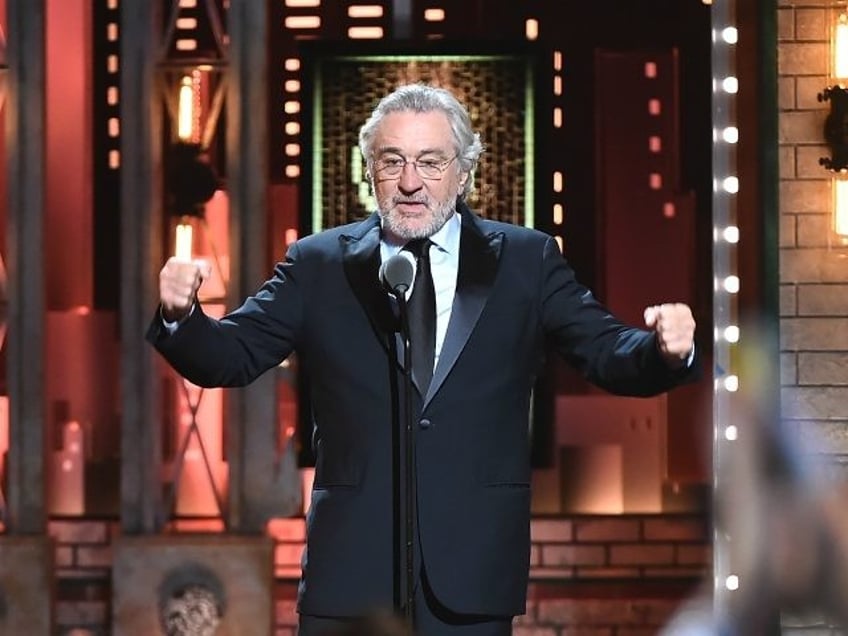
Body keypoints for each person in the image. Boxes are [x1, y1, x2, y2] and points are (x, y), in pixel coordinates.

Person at [148, 83, 699, 635]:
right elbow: (232, 355)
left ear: (463, 173)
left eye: (431, 163)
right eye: (393, 162)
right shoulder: (318, 264)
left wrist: (662, 351)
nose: (410, 182)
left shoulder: (526, 260)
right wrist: (181, 315)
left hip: (471, 573)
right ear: (370, 172)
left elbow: (604, 350)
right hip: (351, 576)